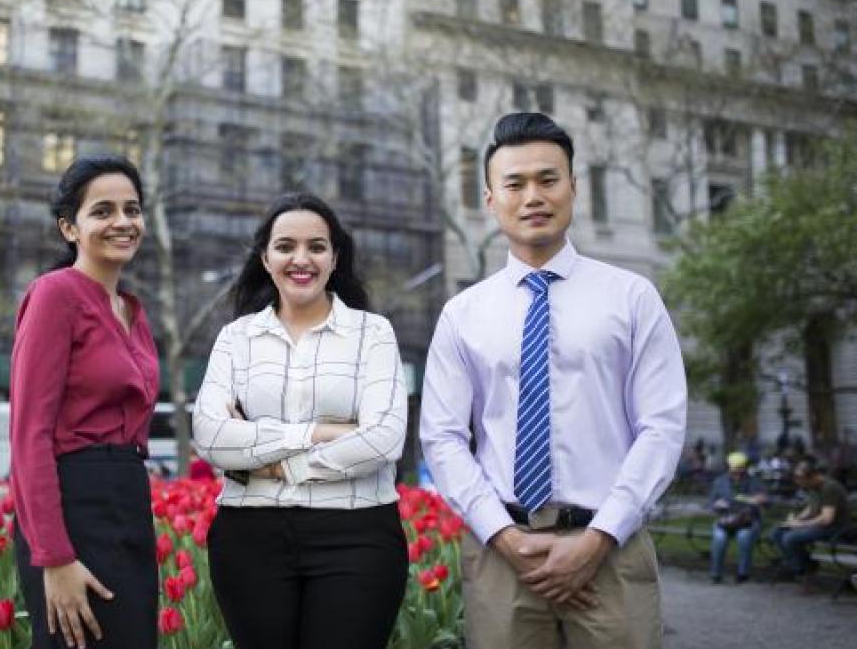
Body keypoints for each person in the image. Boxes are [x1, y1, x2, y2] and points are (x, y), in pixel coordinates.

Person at [419, 112, 687, 649]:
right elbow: (442, 437)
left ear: (574, 188)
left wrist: (597, 538)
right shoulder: (463, 313)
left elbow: (660, 427)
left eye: (548, 179)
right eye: (515, 184)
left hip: (611, 549)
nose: (533, 196)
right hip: (501, 556)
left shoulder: (632, 298)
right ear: (491, 200)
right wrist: (506, 536)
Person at [192, 193, 409, 649]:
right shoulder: (236, 339)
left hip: (357, 536)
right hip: (249, 538)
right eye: (286, 246)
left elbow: (384, 440)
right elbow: (211, 436)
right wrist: (321, 432)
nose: (301, 259)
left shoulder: (373, 334)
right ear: (266, 258)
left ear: (335, 258)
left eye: (316, 246)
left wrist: (276, 465)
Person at [9, 154, 160, 649]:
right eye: (103, 211)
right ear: (70, 227)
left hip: (128, 505)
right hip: (74, 512)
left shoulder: (133, 312)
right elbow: (29, 435)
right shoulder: (55, 295)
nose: (123, 222)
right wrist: (52, 557)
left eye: (132, 210)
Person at [769, 456, 851, 578]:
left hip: (835, 528)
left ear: (812, 476)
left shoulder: (830, 488)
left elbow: (826, 519)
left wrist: (801, 525)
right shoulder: (812, 487)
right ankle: (802, 565)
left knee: (790, 538)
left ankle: (801, 569)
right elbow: (810, 509)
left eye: (801, 480)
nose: (799, 483)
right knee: (777, 532)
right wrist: (796, 520)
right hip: (819, 526)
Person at [708, 451, 767, 584]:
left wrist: (761, 499)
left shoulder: (754, 481)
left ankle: (743, 573)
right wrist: (717, 504)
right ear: (729, 467)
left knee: (744, 537)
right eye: (735, 469)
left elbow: (767, 500)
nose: (738, 473)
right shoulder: (720, 482)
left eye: (741, 468)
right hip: (726, 520)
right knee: (719, 538)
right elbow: (711, 503)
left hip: (748, 521)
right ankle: (716, 573)